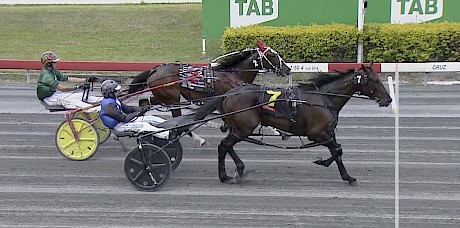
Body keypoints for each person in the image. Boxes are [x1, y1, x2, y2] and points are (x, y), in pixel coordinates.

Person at [99, 79, 175, 140]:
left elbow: (129, 109)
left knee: (150, 118)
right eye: (116, 91)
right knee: (144, 125)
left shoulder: (114, 100)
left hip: (123, 122)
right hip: (119, 126)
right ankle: (166, 135)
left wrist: (143, 108)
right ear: (110, 92)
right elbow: (124, 118)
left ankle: (171, 125)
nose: (119, 91)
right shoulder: (109, 105)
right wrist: (138, 113)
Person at [36, 51, 100, 110]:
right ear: (49, 64)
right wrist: (77, 87)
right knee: (74, 102)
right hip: (49, 99)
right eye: (55, 62)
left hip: (55, 95)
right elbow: (62, 88)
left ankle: (101, 101)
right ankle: (96, 110)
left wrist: (86, 80)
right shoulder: (47, 76)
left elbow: (67, 79)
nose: (56, 64)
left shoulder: (53, 71)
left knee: (80, 95)